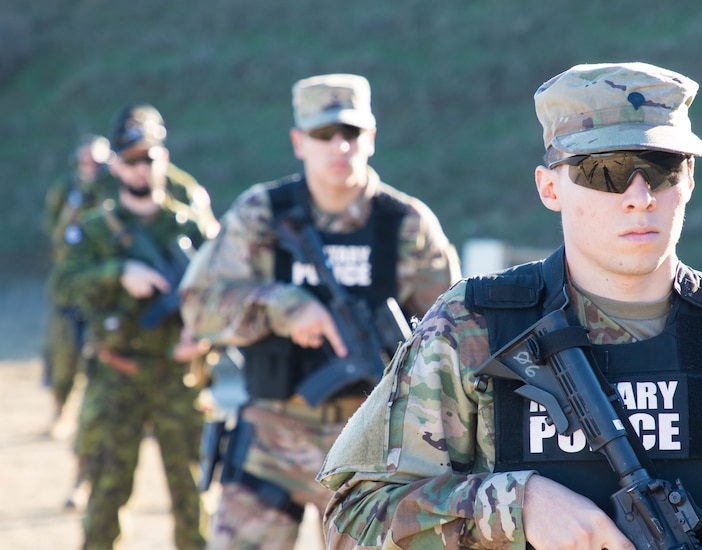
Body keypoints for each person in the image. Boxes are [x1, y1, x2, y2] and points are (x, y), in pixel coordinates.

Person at [318, 62, 702, 549]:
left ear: (688, 180)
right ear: (549, 187)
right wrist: (518, 508)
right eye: (606, 171)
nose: (639, 196)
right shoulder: (472, 327)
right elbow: (353, 520)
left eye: (661, 167)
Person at [178, 73, 461, 549]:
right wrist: (278, 305)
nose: (339, 146)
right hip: (273, 446)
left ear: (369, 137)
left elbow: (455, 337)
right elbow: (197, 308)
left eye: (350, 133)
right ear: (298, 142)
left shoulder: (406, 225)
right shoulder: (262, 214)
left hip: (373, 453)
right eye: (322, 134)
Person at [54, 103, 215, 550]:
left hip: (180, 378)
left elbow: (227, 294)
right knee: (105, 497)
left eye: (150, 158)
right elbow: (63, 286)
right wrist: (118, 273)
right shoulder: (94, 229)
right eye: (132, 161)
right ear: (116, 166)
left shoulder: (191, 225)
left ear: (164, 158)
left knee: (192, 499)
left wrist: (200, 334)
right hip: (117, 375)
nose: (142, 169)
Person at [42, 133, 114, 423]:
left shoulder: (113, 189)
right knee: (63, 354)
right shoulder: (65, 189)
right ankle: (60, 408)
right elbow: (53, 231)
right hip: (70, 285)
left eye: (95, 160)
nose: (89, 165)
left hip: (105, 283)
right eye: (84, 159)